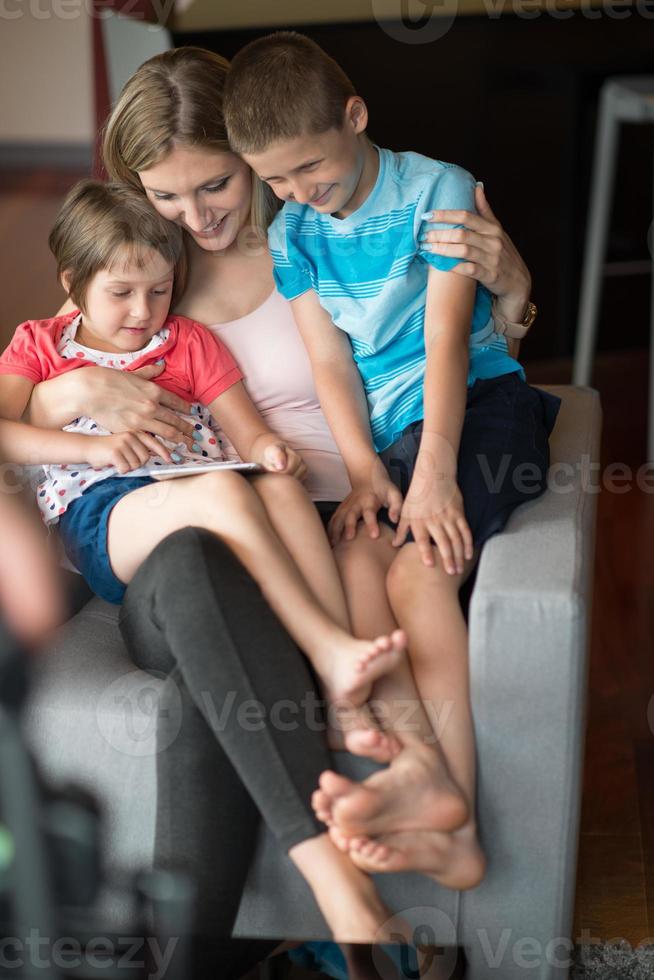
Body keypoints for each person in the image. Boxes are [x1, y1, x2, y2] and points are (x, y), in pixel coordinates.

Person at [23, 45, 537, 967]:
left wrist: (516, 288)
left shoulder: (317, 237)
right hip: (178, 546)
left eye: (216, 183)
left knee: (210, 677)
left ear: (253, 153)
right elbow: (51, 368)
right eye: (168, 195)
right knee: (197, 568)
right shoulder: (140, 276)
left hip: (319, 530)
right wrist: (68, 404)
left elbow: (440, 349)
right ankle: (345, 917)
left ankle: (236, 950)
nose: (195, 217)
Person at [223, 30, 561, 888]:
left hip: (479, 409)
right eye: (276, 180)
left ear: (355, 116)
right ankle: (422, 774)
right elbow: (330, 360)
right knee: (359, 558)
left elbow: (448, 337)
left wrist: (438, 471)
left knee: (419, 574)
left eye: (312, 169)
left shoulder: (434, 191)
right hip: (388, 439)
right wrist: (365, 471)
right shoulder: (293, 231)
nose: (300, 193)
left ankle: (457, 816)